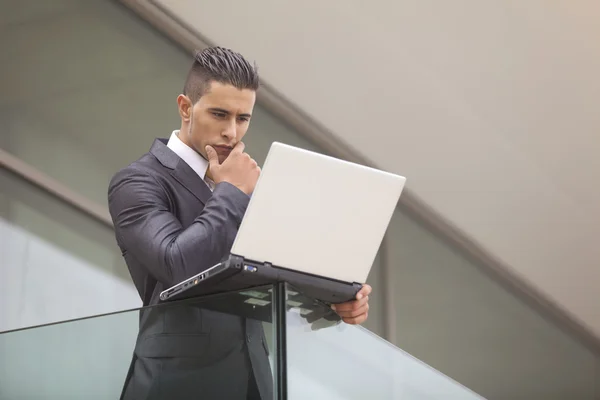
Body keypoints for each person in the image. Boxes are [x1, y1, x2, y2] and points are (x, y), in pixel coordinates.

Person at [108, 46, 372, 400]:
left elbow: (279, 278)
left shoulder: (247, 192)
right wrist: (231, 190)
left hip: (253, 384)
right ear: (185, 108)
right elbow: (177, 265)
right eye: (219, 114)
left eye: (243, 118)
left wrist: (335, 301)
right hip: (174, 384)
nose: (232, 132)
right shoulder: (138, 182)